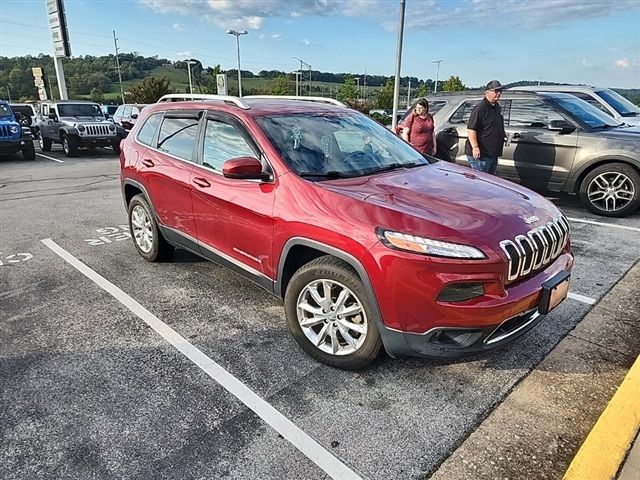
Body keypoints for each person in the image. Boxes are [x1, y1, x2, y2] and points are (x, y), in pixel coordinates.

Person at [465, 80, 506, 174]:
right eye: (496, 91)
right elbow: (471, 129)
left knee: (489, 183)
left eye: (500, 91)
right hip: (481, 155)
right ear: (487, 92)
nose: (499, 93)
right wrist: (475, 147)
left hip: (492, 153)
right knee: (480, 184)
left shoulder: (496, 107)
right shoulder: (480, 108)